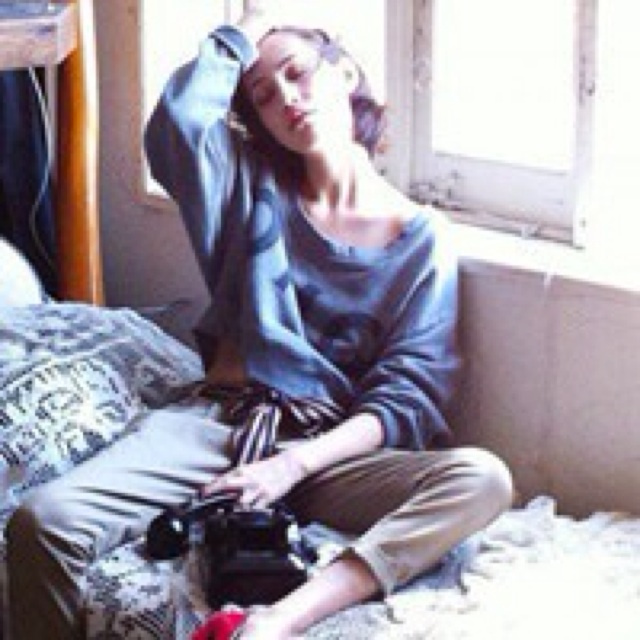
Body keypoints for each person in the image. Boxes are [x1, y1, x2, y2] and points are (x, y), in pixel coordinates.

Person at [5, 3, 513, 640]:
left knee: (482, 479)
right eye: (265, 96)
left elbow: (407, 398)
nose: (288, 98)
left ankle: (276, 621)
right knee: (44, 523)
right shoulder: (248, 187)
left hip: (327, 455)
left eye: (298, 73)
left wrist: (291, 468)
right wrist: (248, 25)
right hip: (222, 426)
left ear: (345, 73)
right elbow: (180, 125)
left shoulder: (422, 239)